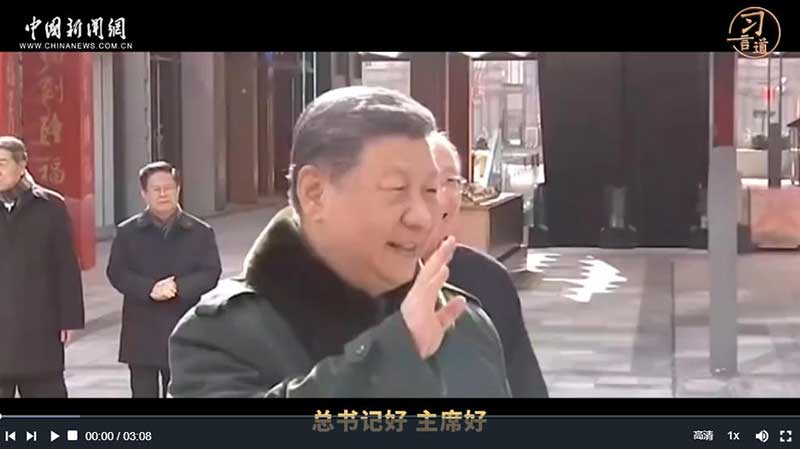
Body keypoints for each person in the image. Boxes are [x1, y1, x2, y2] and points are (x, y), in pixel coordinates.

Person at [168, 86, 512, 398]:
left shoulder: (466, 323)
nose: (421, 216)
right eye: (396, 189)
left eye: (431, 190)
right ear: (315, 193)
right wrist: (394, 354)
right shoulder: (219, 336)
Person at [424, 132, 549, 397]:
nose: (442, 196)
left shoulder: (488, 279)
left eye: (451, 181)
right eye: (429, 183)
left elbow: (526, 386)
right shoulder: (360, 282)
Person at [107, 161, 222, 398]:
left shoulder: (200, 231)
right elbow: (117, 272)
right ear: (144, 194)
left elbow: (211, 272)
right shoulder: (128, 232)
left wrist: (179, 287)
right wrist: (148, 288)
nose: (163, 194)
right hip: (141, 329)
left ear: (178, 189)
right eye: (156, 189)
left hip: (184, 326)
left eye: (168, 188)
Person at [0, 136, 85, 398]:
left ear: (22, 165)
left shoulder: (50, 205)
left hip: (39, 325)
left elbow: (66, 265)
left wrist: (69, 318)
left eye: (2, 163)